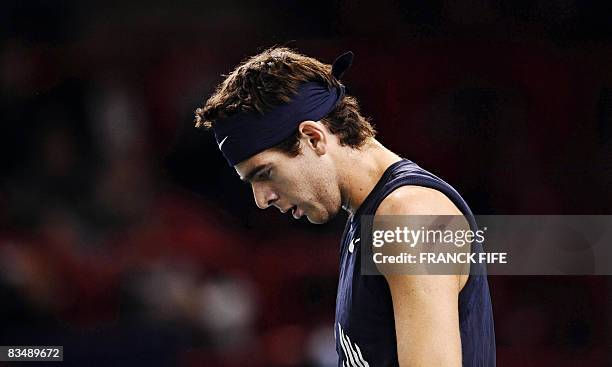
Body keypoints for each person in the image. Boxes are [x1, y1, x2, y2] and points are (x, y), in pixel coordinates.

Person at [193, 47, 495, 366]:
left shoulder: (408, 214)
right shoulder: (369, 218)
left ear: (313, 137)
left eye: (265, 173)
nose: (261, 199)